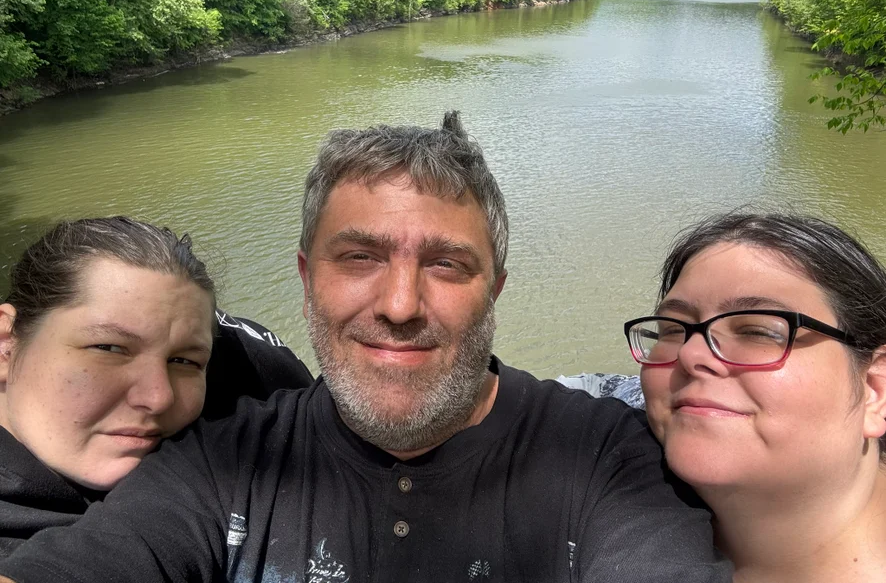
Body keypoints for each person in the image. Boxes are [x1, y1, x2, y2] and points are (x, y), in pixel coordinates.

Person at [0, 113, 731, 583]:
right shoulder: (218, 462)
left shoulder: (607, 459)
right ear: (306, 278)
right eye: (358, 257)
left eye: (447, 264)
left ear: (495, 289)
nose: (400, 305)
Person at [0, 217, 312, 556]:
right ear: (5, 345)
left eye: (184, 361)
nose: (159, 398)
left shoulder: (247, 372)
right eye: (109, 348)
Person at [624, 213, 886, 583]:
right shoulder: (603, 465)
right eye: (672, 329)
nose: (690, 353)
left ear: (875, 389)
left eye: (758, 331)